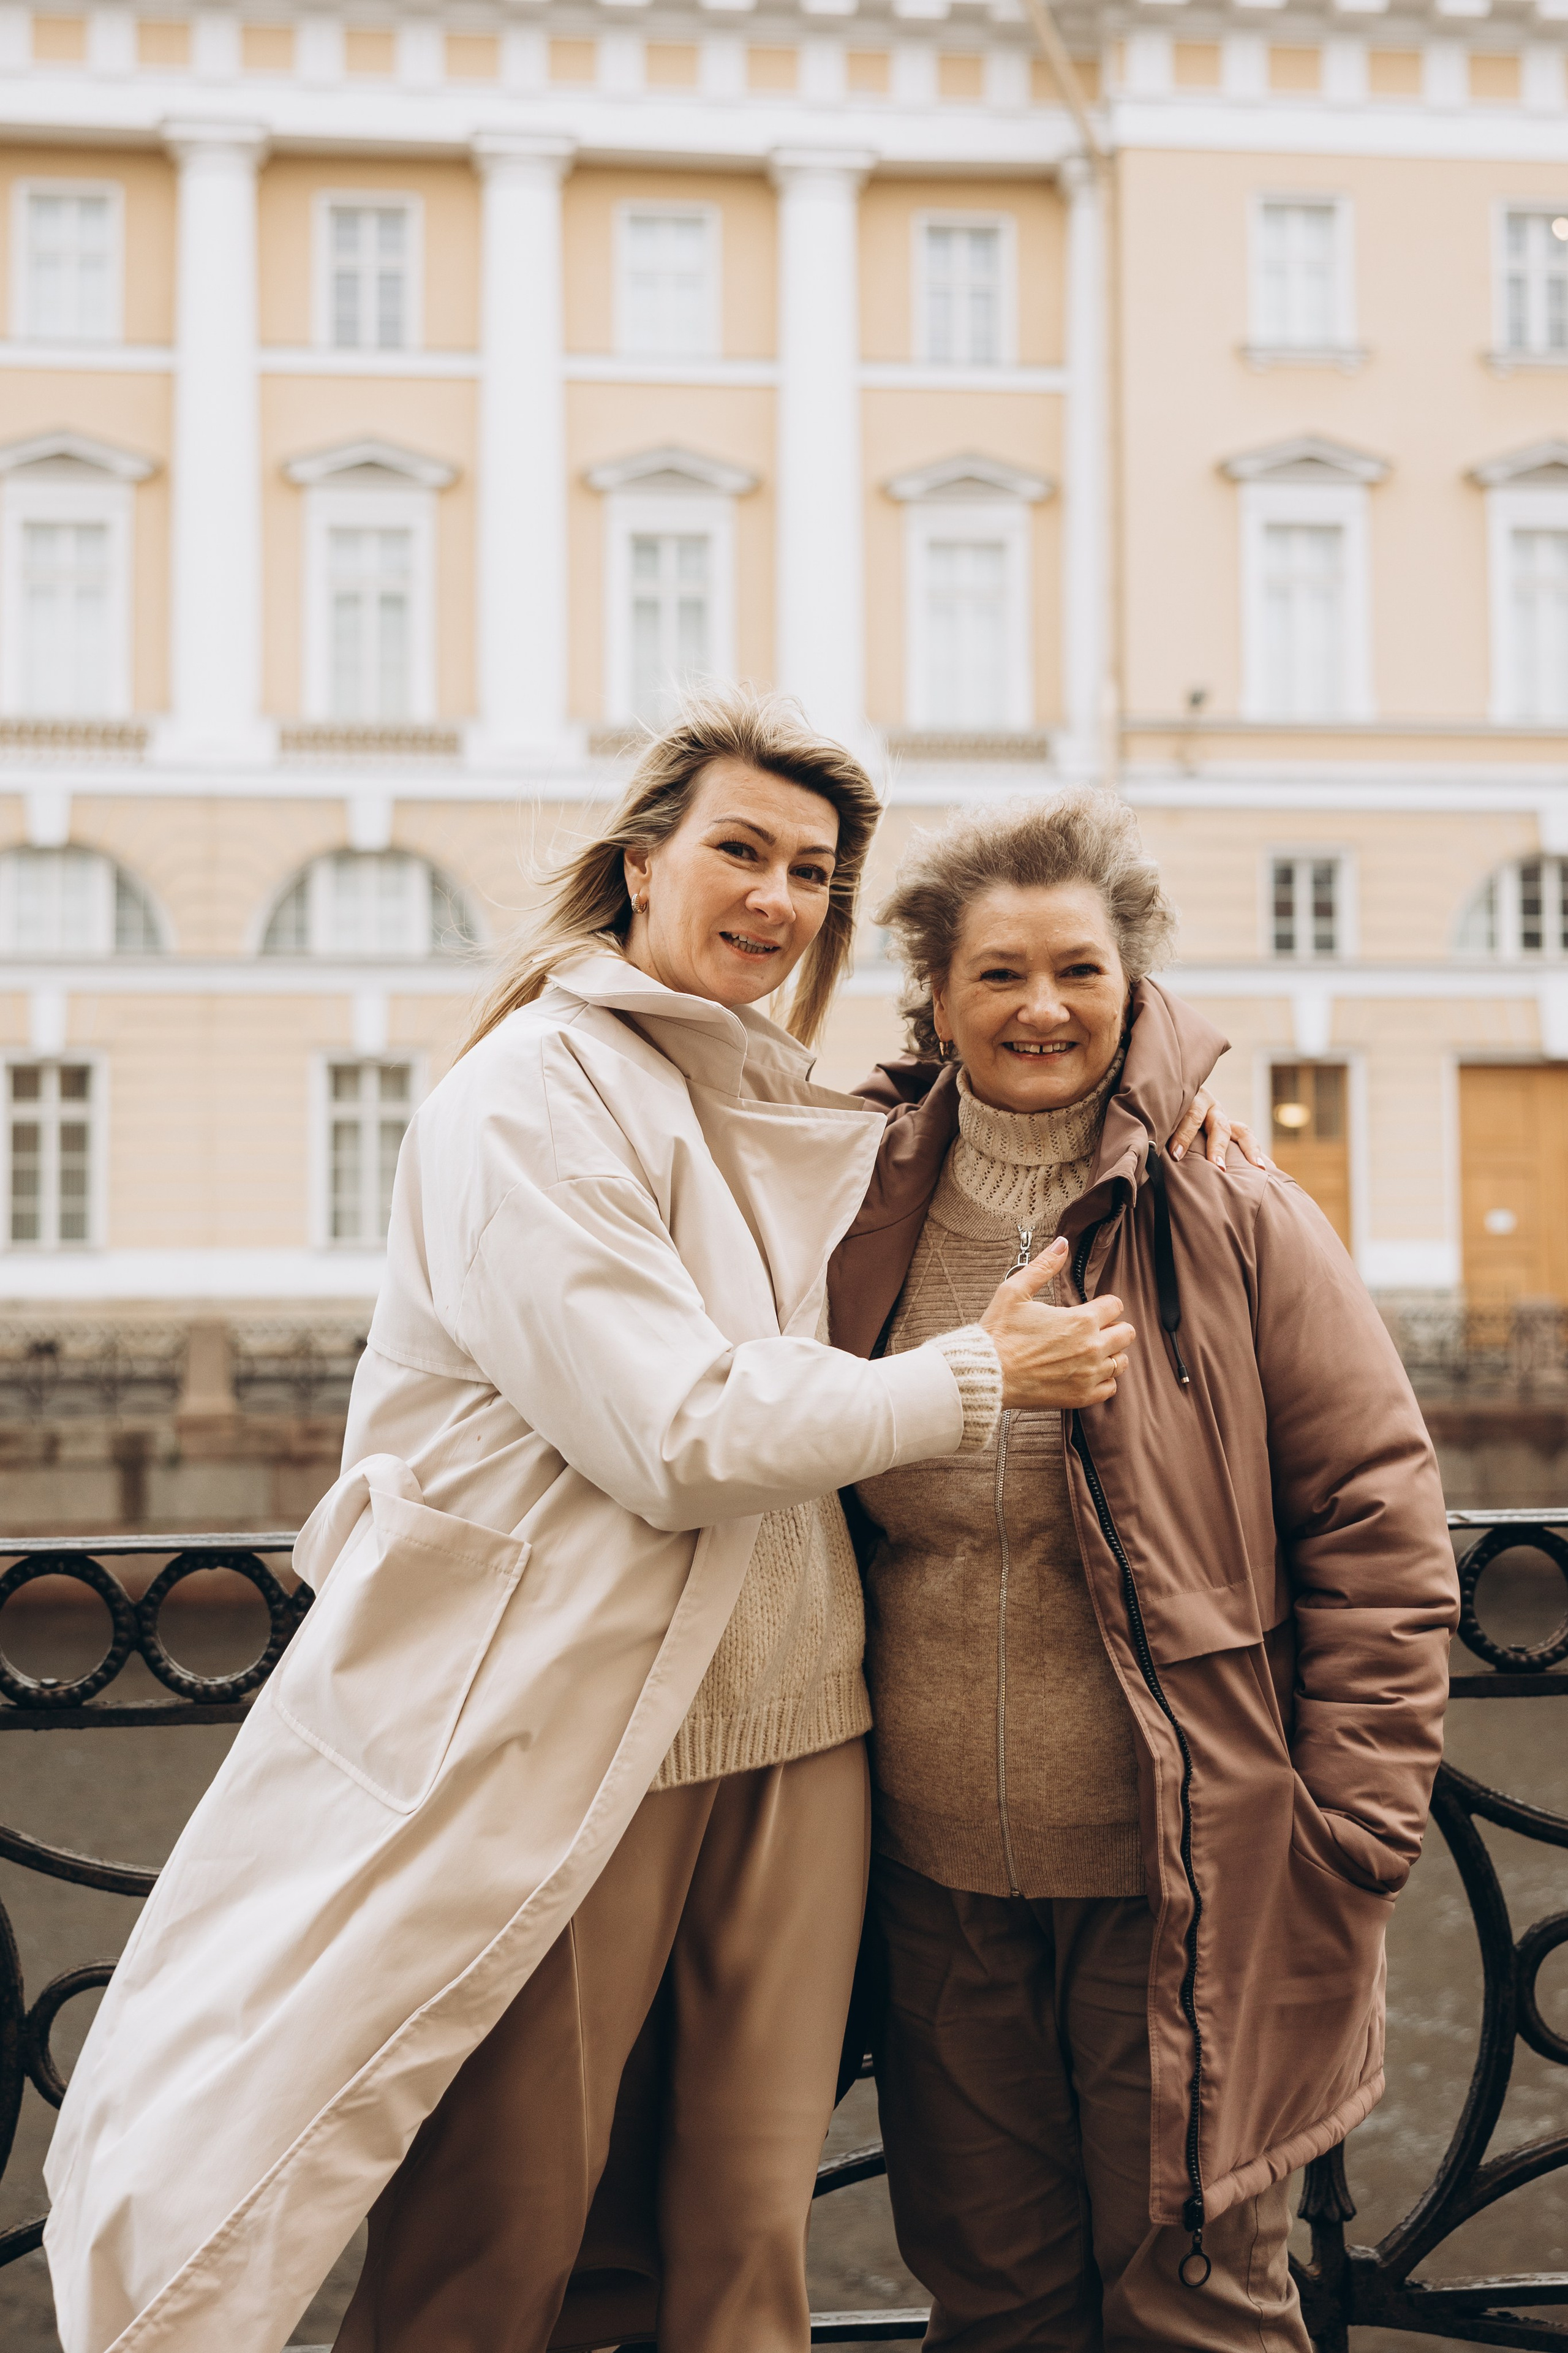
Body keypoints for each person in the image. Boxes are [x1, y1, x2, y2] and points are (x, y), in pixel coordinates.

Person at [43, 694, 1236, 2353]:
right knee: (501, 2236)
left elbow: (998, 1081)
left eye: (813, 871)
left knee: (748, 2246)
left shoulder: (766, 1094)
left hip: (803, 1735)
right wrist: (987, 1377)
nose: (776, 896)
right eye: (739, 850)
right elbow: (672, 1430)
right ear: (638, 862)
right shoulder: (526, 1096)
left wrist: (1173, 1126)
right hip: (580, 1735)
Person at [826, 790, 1460, 2353]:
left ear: (1131, 986)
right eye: (998, 974)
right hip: (930, 1881)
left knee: (1199, 2306)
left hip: (1180, 1879)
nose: (1040, 1007)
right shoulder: (846, 1210)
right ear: (936, 995)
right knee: (992, 2302)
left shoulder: (1234, 1211)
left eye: (1076, 971)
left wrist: (1360, 1826)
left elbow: (1377, 1525)